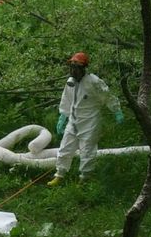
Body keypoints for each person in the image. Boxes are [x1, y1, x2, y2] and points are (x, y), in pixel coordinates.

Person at [47, 51, 124, 187]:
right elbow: (66, 99)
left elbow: (107, 96)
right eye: (72, 67)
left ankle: (85, 178)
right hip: (73, 121)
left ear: (83, 68)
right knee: (65, 148)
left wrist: (116, 111)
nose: (73, 70)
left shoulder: (94, 82)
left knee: (87, 150)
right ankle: (59, 175)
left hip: (90, 121)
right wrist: (63, 117)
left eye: (76, 67)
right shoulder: (70, 83)